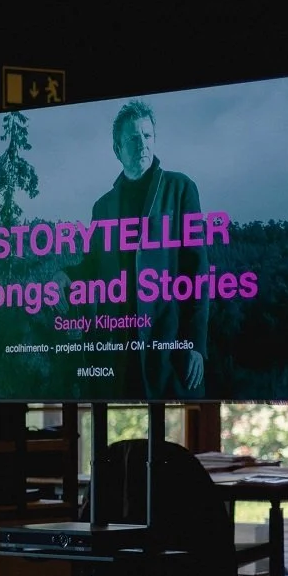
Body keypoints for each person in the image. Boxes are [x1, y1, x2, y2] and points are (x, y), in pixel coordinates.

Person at [68, 99, 209, 399]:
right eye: (133, 138)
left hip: (168, 347)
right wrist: (64, 276)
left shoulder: (181, 189)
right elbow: (92, 267)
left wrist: (196, 343)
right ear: (117, 149)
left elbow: (197, 269)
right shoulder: (102, 207)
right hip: (118, 351)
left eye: (147, 136)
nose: (142, 144)